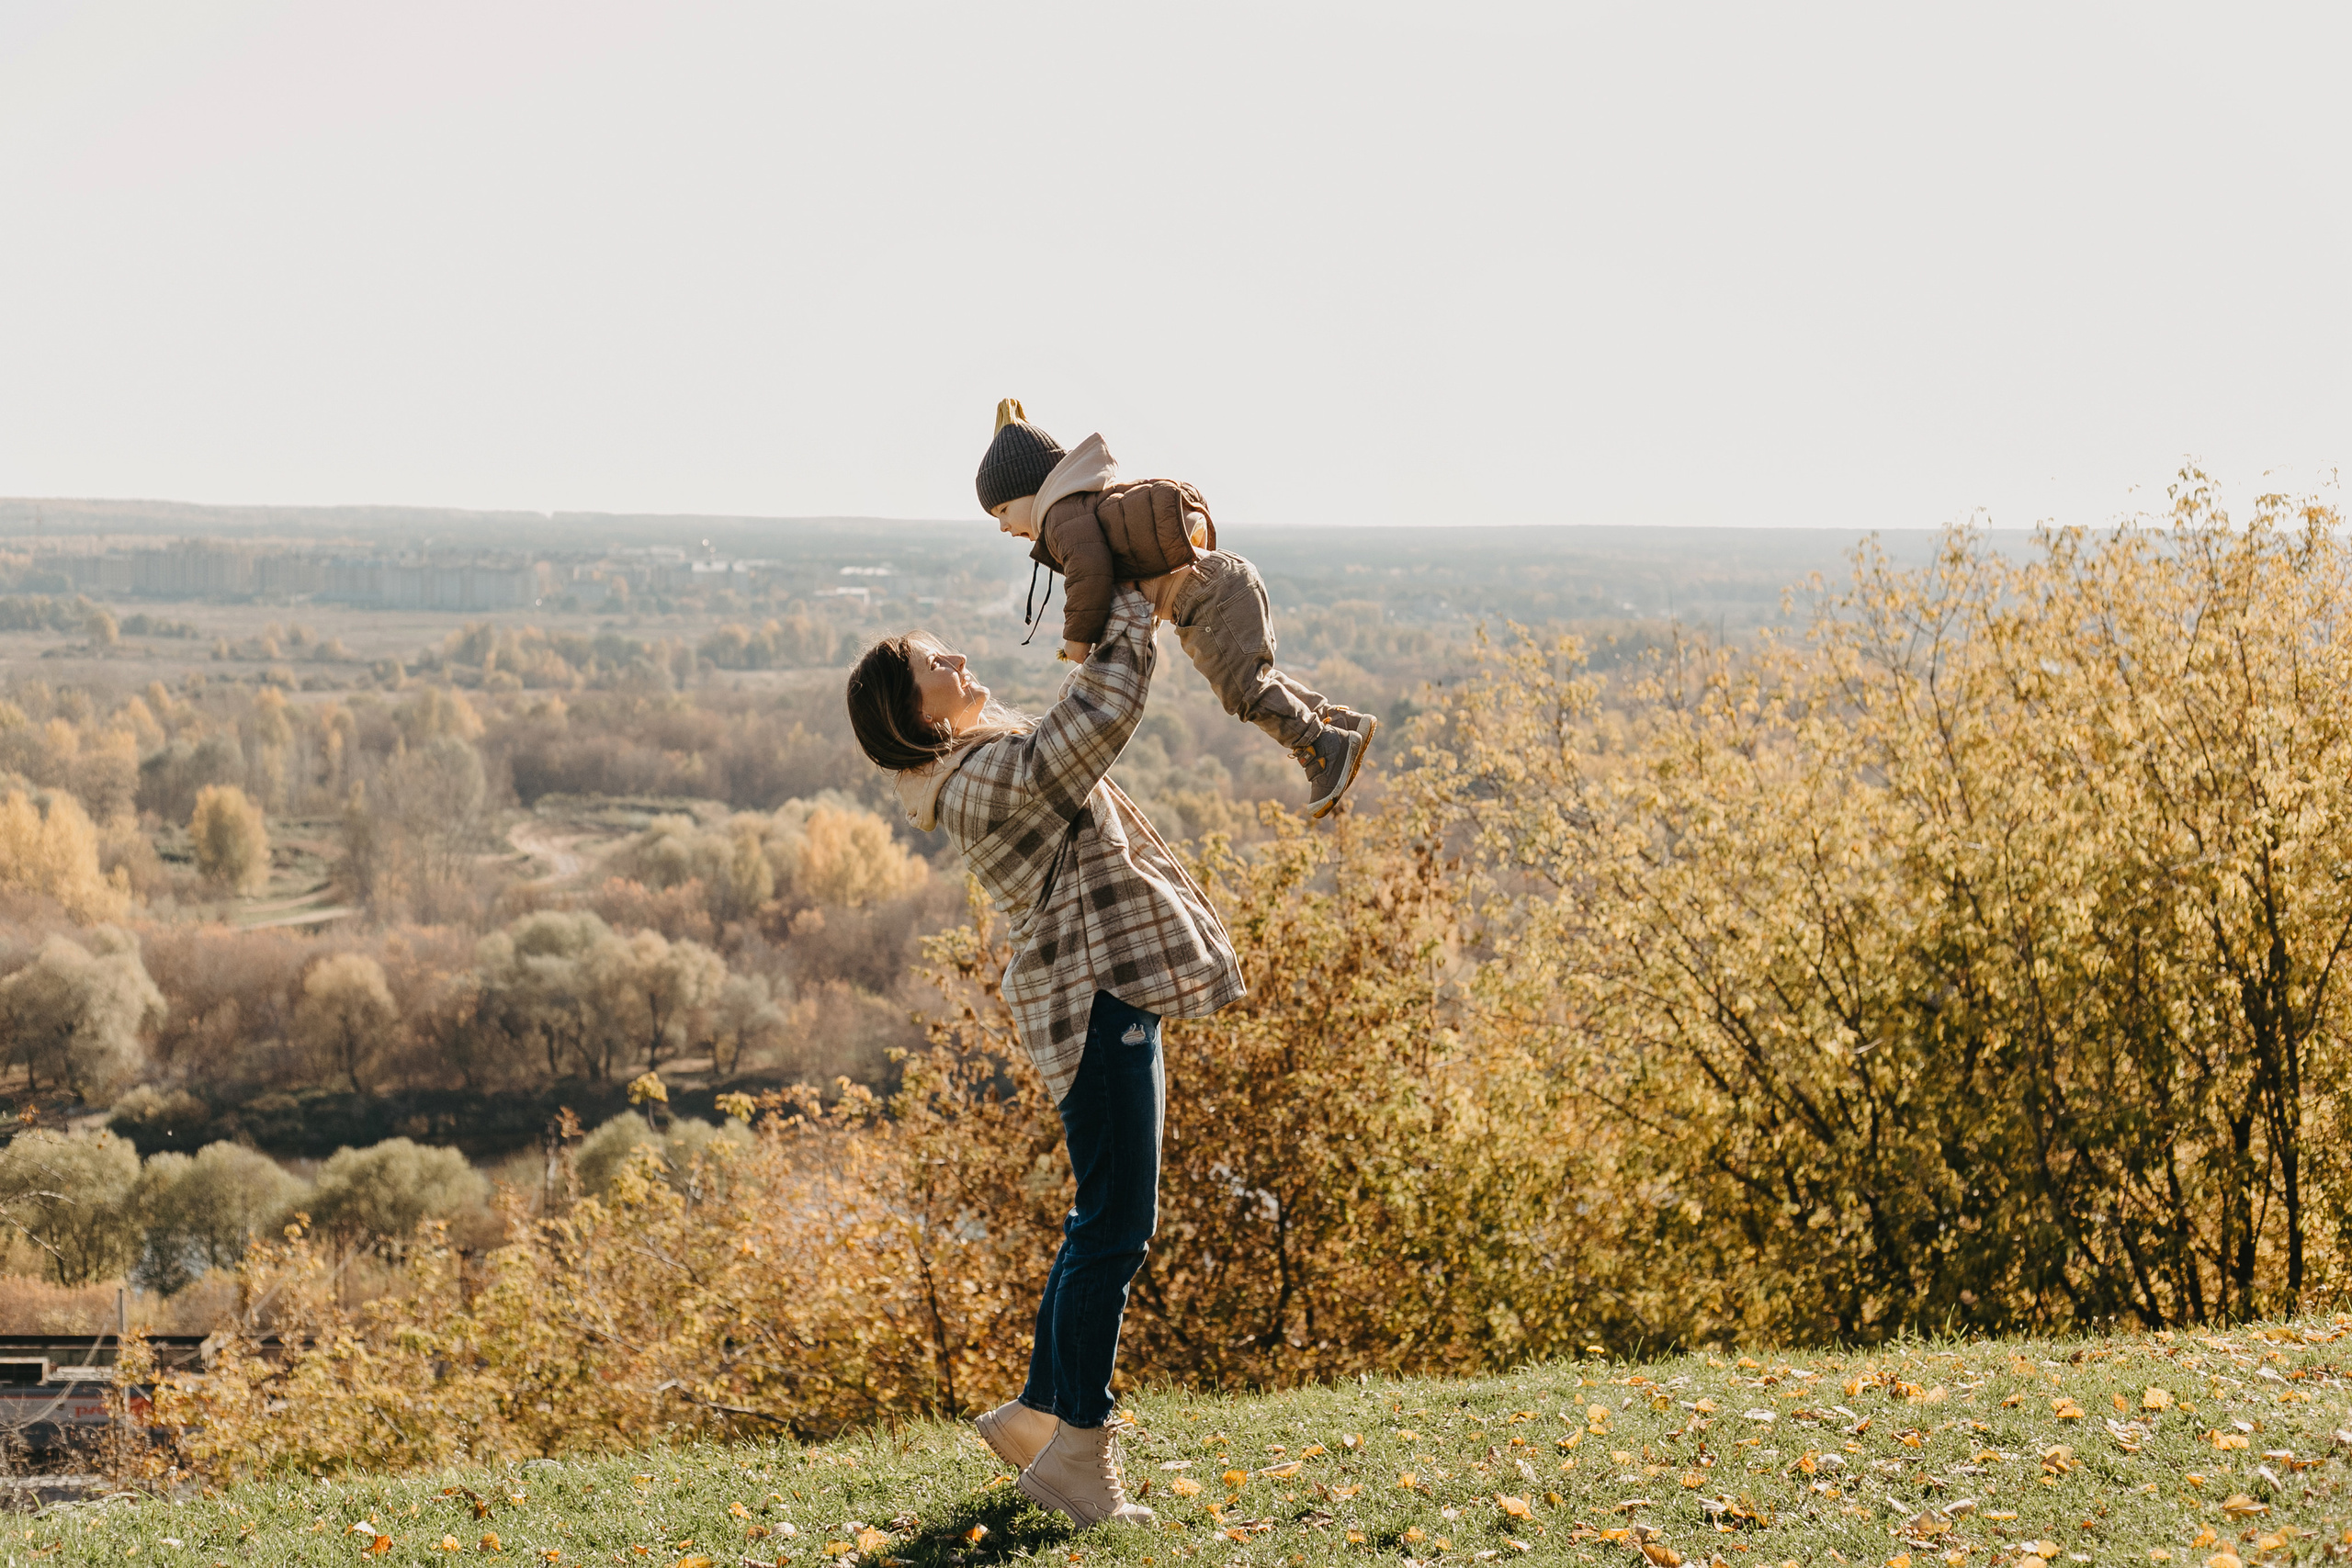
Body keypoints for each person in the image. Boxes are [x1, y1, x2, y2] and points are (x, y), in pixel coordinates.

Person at [844, 582, 1244, 1530]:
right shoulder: (981, 782)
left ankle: (1036, 1414)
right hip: (1096, 1004)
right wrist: (1133, 610)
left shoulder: (977, 757)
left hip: (1102, 998)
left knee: (1097, 1221)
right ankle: (1079, 1455)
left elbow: (1066, 721)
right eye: (930, 666)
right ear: (914, 715)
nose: (954, 663)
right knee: (1116, 1230)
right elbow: (1097, 718)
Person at [976, 398, 1377, 819]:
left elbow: (1088, 574)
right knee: (1256, 679)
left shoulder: (1061, 518)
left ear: (1033, 489)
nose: (1003, 526)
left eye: (1003, 510)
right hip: (1221, 579)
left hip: (1204, 595)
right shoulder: (1084, 504)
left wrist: (1077, 642)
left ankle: (1323, 748)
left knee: (1244, 693)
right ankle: (1339, 724)